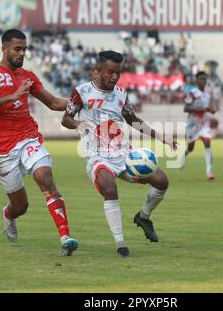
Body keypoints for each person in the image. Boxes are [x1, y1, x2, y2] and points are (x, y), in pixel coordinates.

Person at [0, 29, 78, 255]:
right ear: (4, 49)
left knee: (45, 178)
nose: (22, 53)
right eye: (17, 49)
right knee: (21, 206)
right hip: (1, 148)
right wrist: (10, 97)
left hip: (28, 137)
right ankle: (8, 215)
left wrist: (82, 102)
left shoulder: (28, 76)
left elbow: (53, 103)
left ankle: (65, 237)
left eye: (24, 49)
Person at [61, 50, 177, 258]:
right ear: (98, 71)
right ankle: (120, 243)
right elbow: (66, 119)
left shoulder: (121, 94)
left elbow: (133, 119)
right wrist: (78, 124)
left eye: (118, 73)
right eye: (110, 72)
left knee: (161, 181)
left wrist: (161, 137)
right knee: (110, 188)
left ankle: (143, 216)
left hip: (124, 154)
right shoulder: (82, 92)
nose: (114, 77)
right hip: (97, 156)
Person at [178, 71, 217, 181]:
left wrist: (211, 110)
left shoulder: (207, 95)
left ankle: (209, 172)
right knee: (191, 147)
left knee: (207, 143)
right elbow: (185, 108)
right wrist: (203, 109)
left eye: (205, 79)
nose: (203, 81)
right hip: (192, 125)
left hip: (204, 124)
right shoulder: (192, 93)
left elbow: (207, 108)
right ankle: (182, 156)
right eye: (201, 79)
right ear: (197, 80)